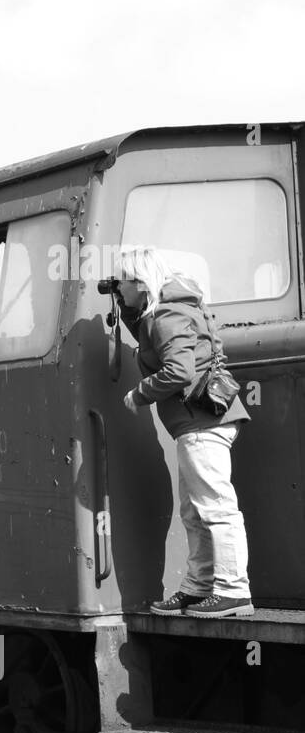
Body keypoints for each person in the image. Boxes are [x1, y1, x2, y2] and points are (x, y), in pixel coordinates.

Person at [116, 246, 253, 618]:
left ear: (140, 282)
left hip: (200, 422)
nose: (118, 286)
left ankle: (233, 590)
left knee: (215, 507)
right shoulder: (171, 309)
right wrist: (127, 307)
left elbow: (178, 370)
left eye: (122, 280)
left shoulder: (167, 314)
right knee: (195, 509)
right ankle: (198, 586)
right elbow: (153, 341)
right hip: (197, 422)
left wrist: (139, 393)